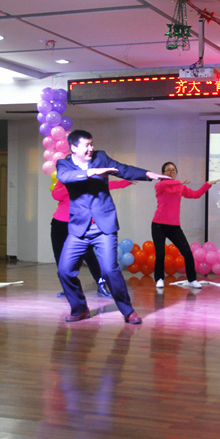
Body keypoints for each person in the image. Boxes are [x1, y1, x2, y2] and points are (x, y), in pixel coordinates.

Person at [56, 130, 170, 324]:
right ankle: (80, 309)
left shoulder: (100, 157)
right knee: (64, 271)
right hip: (79, 229)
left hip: (104, 227)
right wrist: (92, 172)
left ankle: (128, 311)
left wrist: (148, 174)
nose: (91, 148)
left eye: (92, 144)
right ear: (73, 148)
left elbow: (123, 169)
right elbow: (65, 177)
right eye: (86, 145)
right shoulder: (64, 164)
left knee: (110, 270)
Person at [51, 178, 132, 299]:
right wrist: (72, 185)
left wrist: (126, 182)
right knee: (60, 257)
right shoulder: (64, 180)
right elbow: (56, 195)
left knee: (89, 255)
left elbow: (107, 185)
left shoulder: (87, 179)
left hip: (79, 224)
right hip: (59, 224)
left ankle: (101, 285)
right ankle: (69, 288)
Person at [151, 161, 217, 289]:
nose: (171, 172)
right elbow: (164, 183)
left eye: (173, 170)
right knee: (160, 254)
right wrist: (178, 182)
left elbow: (196, 194)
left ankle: (192, 280)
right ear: (163, 173)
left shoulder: (180, 187)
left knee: (187, 252)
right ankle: (159, 279)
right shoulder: (160, 186)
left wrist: (207, 184)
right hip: (158, 225)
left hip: (174, 226)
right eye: (168, 170)